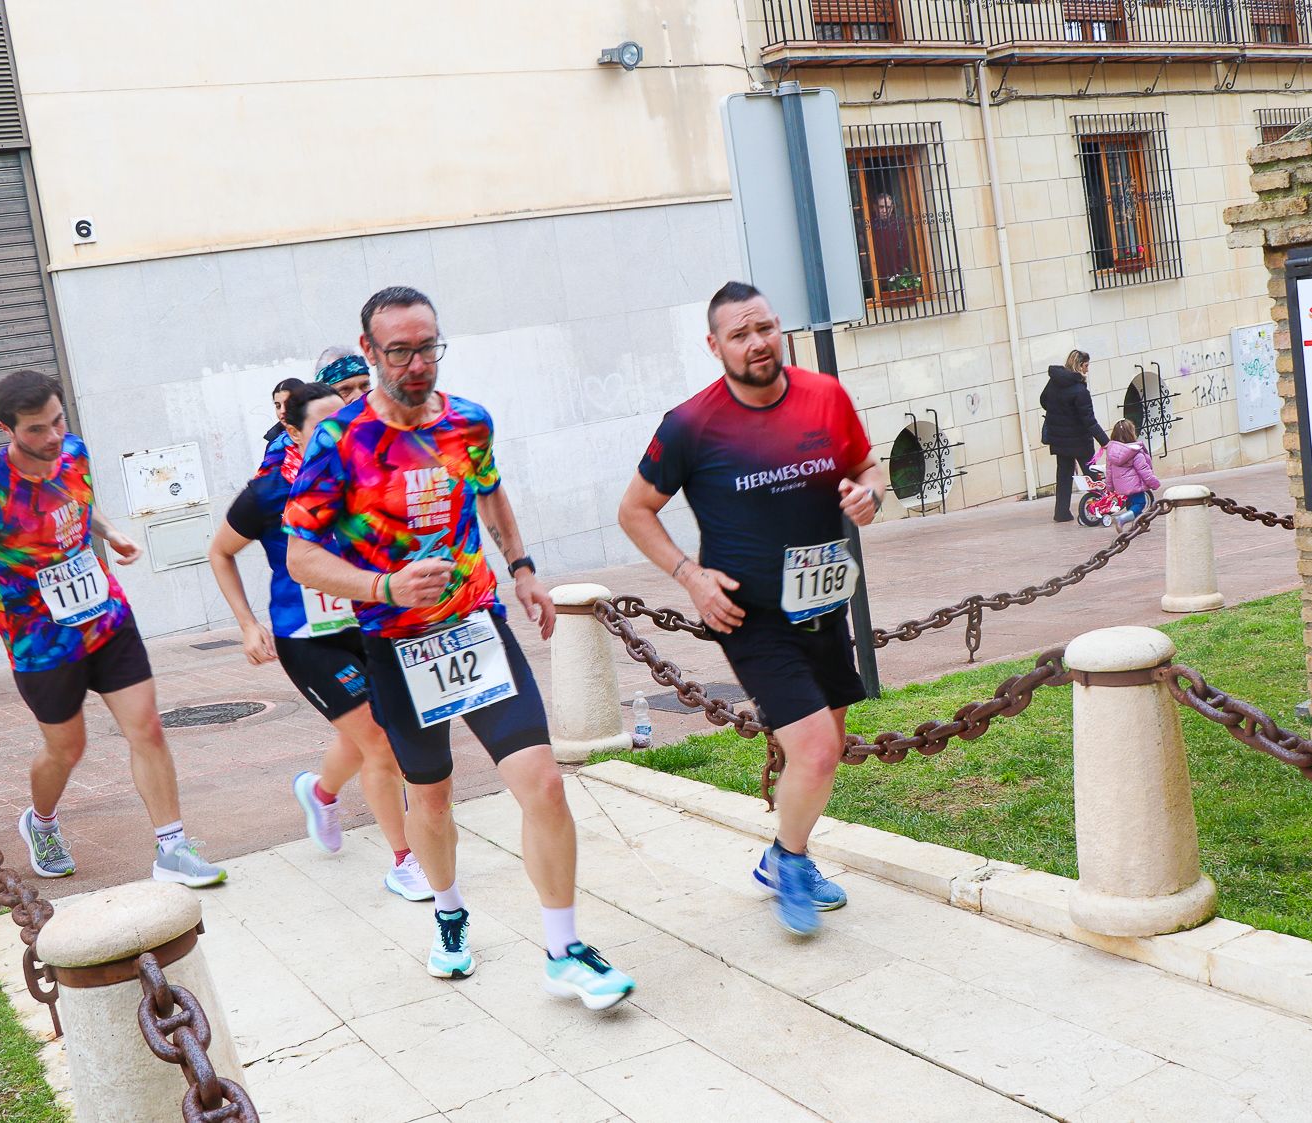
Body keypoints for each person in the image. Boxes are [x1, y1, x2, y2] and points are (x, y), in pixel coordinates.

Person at [285, 285, 634, 1008]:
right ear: (369, 352)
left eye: (429, 346)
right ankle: (448, 912)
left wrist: (524, 569)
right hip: (395, 645)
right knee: (434, 796)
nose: (419, 364)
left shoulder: (468, 421)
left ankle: (564, 949)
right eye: (401, 350)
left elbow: (491, 489)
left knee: (542, 780)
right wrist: (384, 589)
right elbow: (300, 559)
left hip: (475, 624)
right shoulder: (337, 441)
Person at [617, 281, 886, 938]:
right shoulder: (691, 424)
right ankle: (790, 862)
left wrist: (869, 495)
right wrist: (690, 576)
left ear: (779, 329)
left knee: (828, 743)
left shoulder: (825, 396)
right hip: (749, 614)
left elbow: (869, 466)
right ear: (715, 346)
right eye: (739, 334)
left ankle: (782, 855)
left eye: (764, 327)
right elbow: (635, 510)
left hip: (823, 600)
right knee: (818, 749)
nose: (757, 342)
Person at [0, 370, 226, 888]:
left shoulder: (73, 453)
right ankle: (40, 821)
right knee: (68, 749)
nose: (51, 437)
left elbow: (79, 507)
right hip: (42, 644)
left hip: (106, 619)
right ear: (7, 429)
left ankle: (172, 848)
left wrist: (112, 533)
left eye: (56, 422)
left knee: (148, 729)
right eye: (36, 430)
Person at [208, 382, 430, 901]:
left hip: (371, 621)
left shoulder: (369, 472)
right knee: (379, 740)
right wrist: (246, 623)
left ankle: (321, 792)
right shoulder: (267, 494)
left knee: (361, 739)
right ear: (292, 430)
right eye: (322, 427)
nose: (339, 435)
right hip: (307, 638)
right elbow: (219, 552)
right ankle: (405, 860)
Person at [256, 350, 371, 479]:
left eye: (365, 385)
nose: (359, 397)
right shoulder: (281, 451)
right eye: (345, 390)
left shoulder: (382, 429)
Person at [1039, 349, 1109, 523]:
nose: (1087, 370)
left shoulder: (1054, 382)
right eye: (1086, 366)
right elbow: (1089, 421)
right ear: (1078, 365)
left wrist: (1059, 412)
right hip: (1079, 440)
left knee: (1063, 475)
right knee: (1091, 475)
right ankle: (1101, 507)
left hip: (1059, 439)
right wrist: (1105, 442)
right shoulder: (1079, 390)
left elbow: (1043, 400)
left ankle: (1061, 513)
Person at [1098, 418, 1161, 524]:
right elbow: (1144, 471)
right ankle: (1122, 519)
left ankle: (1138, 524)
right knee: (1140, 503)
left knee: (1133, 504)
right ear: (1131, 433)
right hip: (1135, 486)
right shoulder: (1135, 451)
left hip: (1121, 486)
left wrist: (1110, 487)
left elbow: (1109, 471)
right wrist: (1154, 483)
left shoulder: (1111, 452)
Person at [263, 377, 306, 455]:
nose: (282, 411)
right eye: (278, 406)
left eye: (288, 404)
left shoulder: (324, 433)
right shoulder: (274, 445)